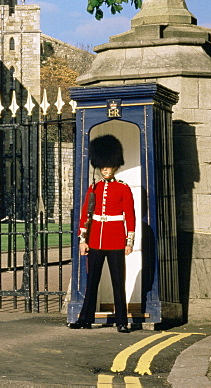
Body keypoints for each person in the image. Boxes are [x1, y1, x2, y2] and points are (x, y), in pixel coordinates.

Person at [68, 134, 135, 333]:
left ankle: (122, 321)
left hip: (115, 240)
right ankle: (85, 319)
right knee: (92, 283)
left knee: (117, 283)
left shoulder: (123, 188)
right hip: (96, 239)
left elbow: (129, 216)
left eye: (108, 165)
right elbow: (85, 216)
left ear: (115, 166)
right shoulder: (94, 188)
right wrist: (83, 240)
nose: (105, 169)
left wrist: (128, 241)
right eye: (103, 166)